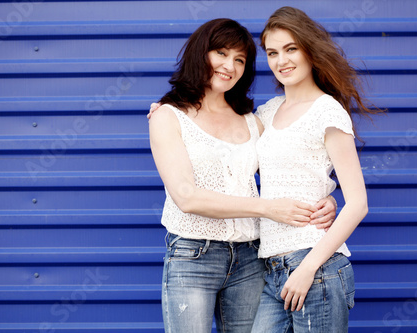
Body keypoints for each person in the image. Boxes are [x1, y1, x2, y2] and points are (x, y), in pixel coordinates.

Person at [148, 18, 338, 333]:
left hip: (250, 257)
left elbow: (294, 169)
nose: (230, 65)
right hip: (193, 255)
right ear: (200, 54)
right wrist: (266, 208)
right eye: (220, 53)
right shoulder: (168, 116)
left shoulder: (253, 122)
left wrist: (325, 199)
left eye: (240, 59)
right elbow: (186, 196)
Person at [250, 6, 381, 333]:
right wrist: (175, 110)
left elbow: (359, 204)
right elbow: (222, 137)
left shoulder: (327, 111)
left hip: (316, 266)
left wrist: (308, 268)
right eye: (272, 52)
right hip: (273, 268)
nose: (282, 60)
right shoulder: (267, 111)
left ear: (309, 49)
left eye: (291, 48)